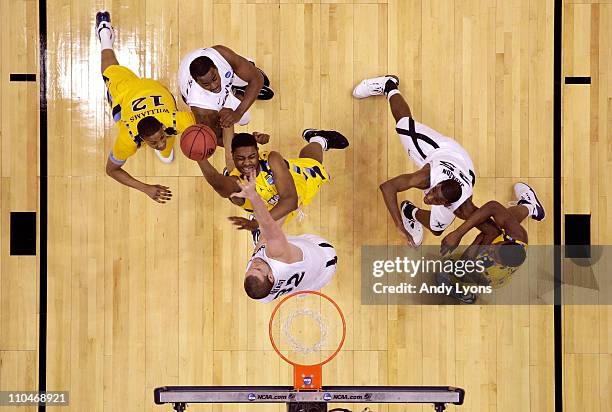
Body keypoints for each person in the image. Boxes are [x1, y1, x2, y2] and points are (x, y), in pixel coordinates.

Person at [353, 75, 494, 246]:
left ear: (447, 203)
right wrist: (399, 226)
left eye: (435, 199)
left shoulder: (463, 208)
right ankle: (388, 85)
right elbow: (388, 187)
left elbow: (492, 231)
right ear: (437, 184)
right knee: (404, 125)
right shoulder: (425, 178)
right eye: (433, 191)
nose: (429, 198)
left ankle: (409, 211)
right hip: (442, 150)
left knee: (436, 228)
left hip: (465, 168)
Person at [96, 11, 195, 203]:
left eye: (160, 137)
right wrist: (145, 188)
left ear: (162, 127)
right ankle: (104, 35)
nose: (160, 142)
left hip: (153, 88)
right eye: (154, 143)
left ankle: (105, 38)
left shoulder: (174, 121)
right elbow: (111, 170)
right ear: (141, 139)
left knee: (167, 152)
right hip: (127, 92)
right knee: (109, 72)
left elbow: (209, 121)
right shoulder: (128, 138)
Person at [196, 129, 349, 234]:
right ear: (233, 156)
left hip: (294, 183)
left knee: (313, 162)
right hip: (273, 206)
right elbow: (217, 182)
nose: (247, 163)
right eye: (240, 159)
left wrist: (258, 223)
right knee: (271, 232)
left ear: (257, 151)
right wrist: (199, 157)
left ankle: (318, 139)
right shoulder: (238, 185)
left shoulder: (272, 158)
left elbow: (290, 201)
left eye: (251, 157)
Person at [231, 171, 338, 302]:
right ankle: (319, 173)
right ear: (270, 277)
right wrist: (253, 195)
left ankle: (259, 235)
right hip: (324, 253)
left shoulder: (262, 295)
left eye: (250, 270)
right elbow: (269, 226)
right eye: (258, 268)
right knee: (277, 216)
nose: (254, 264)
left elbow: (264, 243)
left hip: (310, 282)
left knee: (263, 241)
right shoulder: (277, 254)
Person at [437, 182, 545, 303]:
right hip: (493, 259)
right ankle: (531, 207)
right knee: (507, 218)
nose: (491, 248)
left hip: (484, 276)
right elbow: (493, 207)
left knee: (460, 273)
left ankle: (459, 292)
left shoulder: (489, 273)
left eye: (494, 253)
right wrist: (458, 233)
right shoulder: (519, 237)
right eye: (496, 246)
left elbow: (467, 270)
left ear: (499, 262)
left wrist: (464, 263)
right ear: (509, 242)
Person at [178, 46, 274, 140]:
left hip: (210, 62)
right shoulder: (201, 107)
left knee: (255, 75)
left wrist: (238, 113)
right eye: (206, 84)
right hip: (209, 103)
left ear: (216, 68)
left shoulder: (221, 55)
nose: (214, 86)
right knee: (245, 118)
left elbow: (257, 78)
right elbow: (215, 137)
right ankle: (240, 92)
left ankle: (239, 88)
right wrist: (252, 139)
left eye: (214, 79)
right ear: (197, 82)